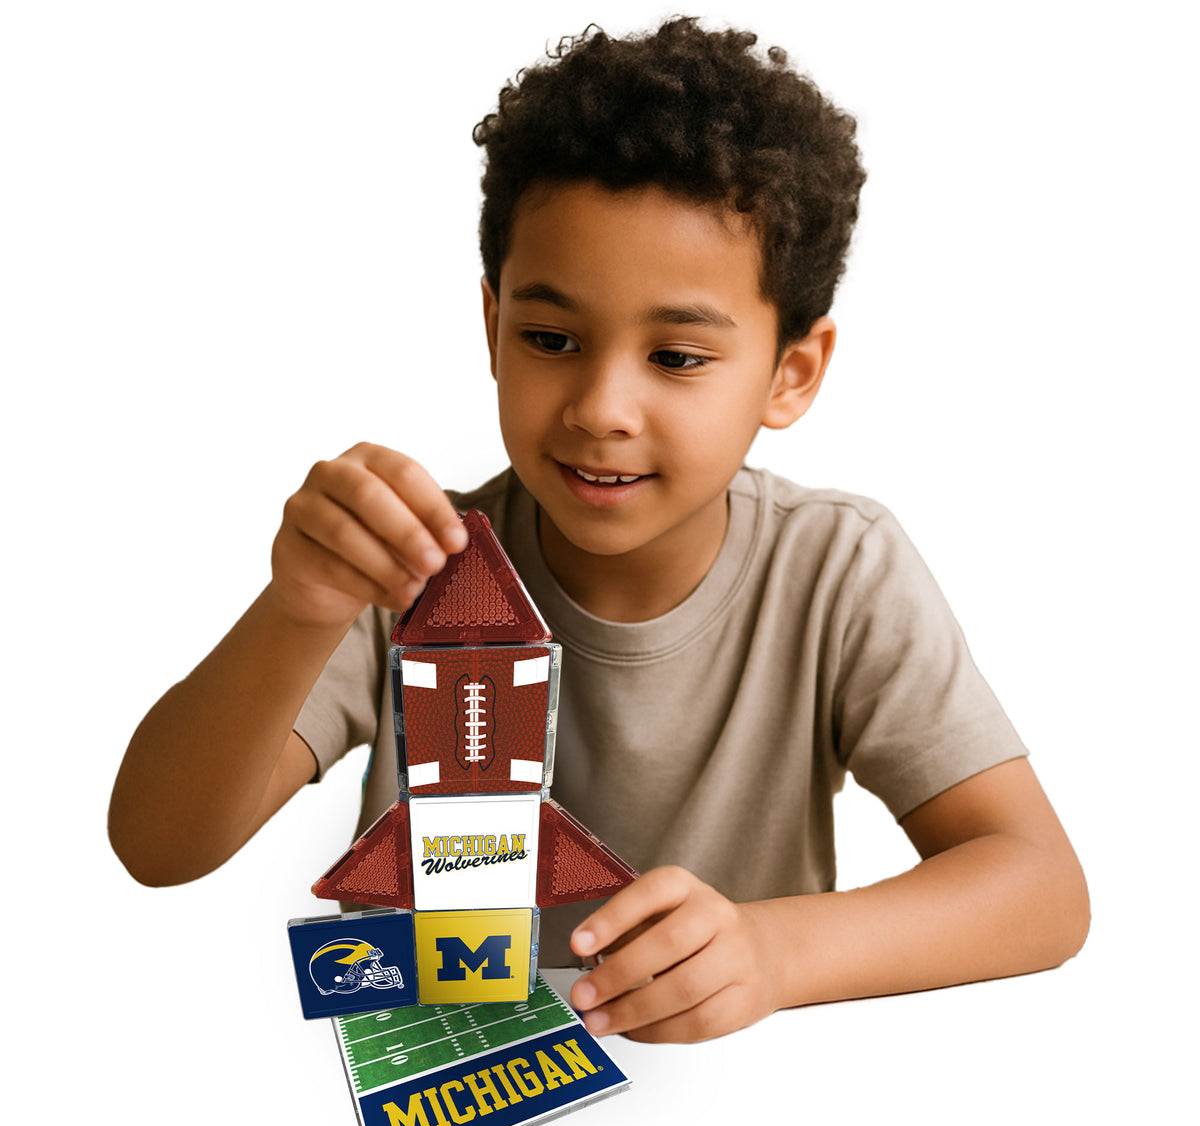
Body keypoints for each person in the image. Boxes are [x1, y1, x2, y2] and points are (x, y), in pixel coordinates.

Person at [109, 18, 1089, 1044]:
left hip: (718, 1124)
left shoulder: (837, 569)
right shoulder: (407, 561)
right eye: (551, 339)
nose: (601, 406)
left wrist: (772, 951)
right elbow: (159, 843)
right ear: (492, 329)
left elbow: (1041, 890)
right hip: (436, 1113)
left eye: (676, 357)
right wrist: (298, 606)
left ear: (791, 373)